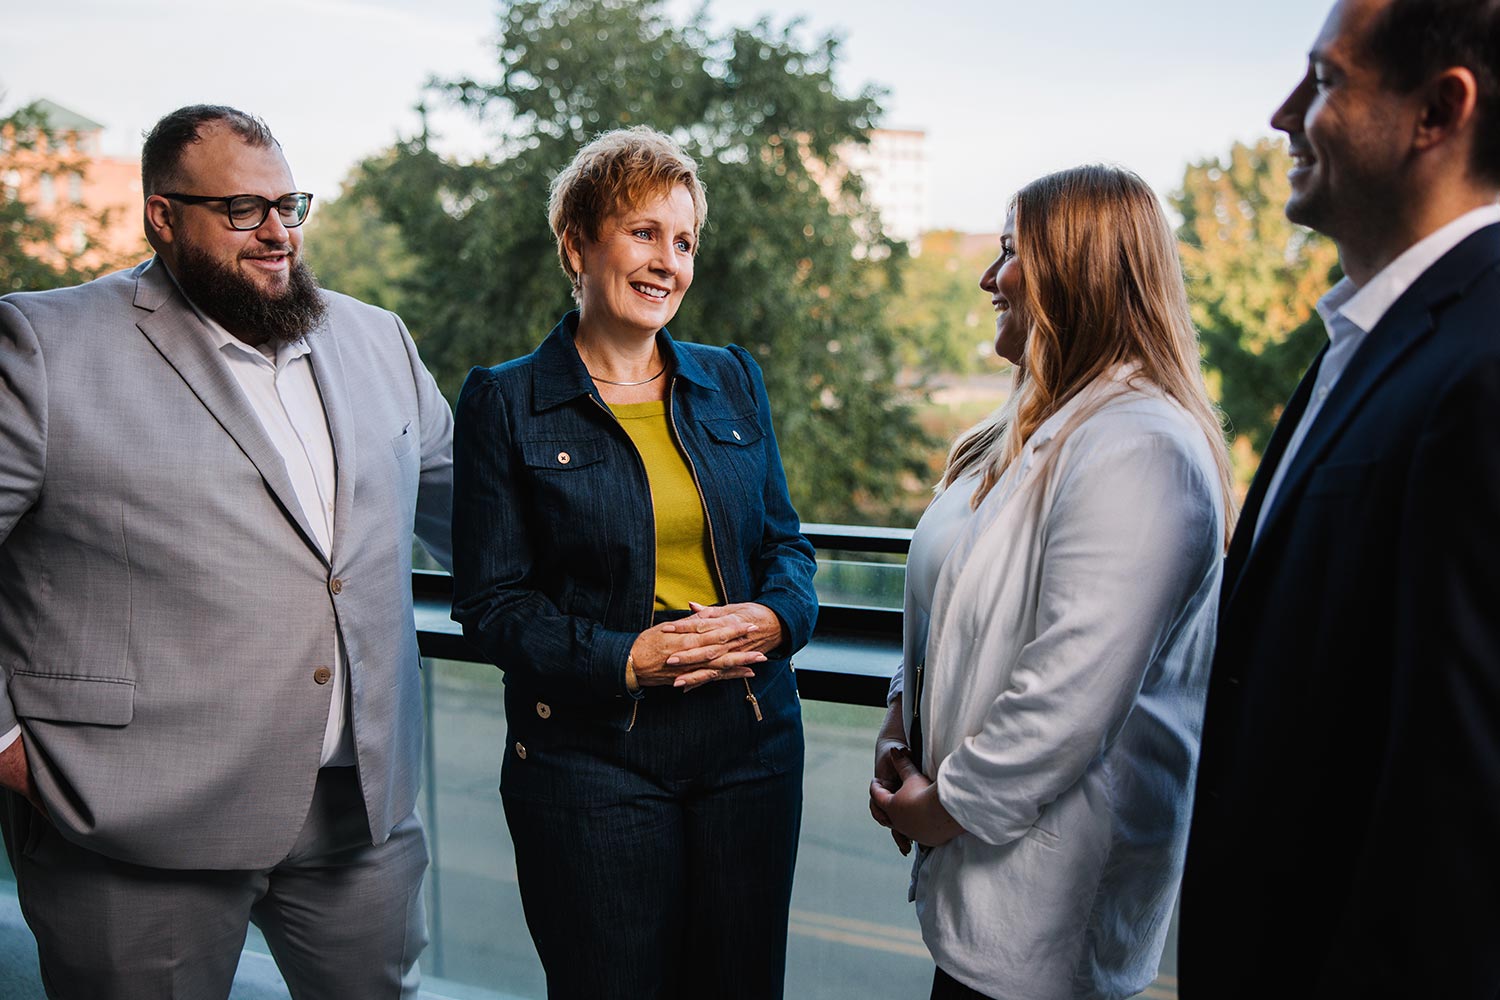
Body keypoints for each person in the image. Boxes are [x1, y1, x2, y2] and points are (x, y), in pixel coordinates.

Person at [0, 105, 453, 998]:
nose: (277, 232)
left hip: (360, 818)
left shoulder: (377, 339)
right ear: (162, 216)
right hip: (131, 825)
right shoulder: (43, 345)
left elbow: (486, 522)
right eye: (243, 210)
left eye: (288, 203)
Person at [450, 126, 818, 1000]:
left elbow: (787, 548)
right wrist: (626, 660)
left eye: (684, 240)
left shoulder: (731, 379)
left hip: (753, 741)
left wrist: (775, 619)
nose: (668, 261)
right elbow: (493, 602)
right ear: (577, 242)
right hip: (589, 756)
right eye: (644, 232)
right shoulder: (504, 400)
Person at [1180, 1, 1500, 995]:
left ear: (1437, 113)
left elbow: (1462, 812)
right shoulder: (1375, 341)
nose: (1282, 115)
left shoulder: (1483, 368)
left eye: (1323, 81)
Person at [869, 165, 1234, 1000]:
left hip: (1045, 918)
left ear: (1079, 270)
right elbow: (945, 611)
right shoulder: (1014, 435)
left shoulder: (1139, 446)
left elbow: (1066, 698)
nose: (989, 278)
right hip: (967, 886)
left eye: (1010, 252)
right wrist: (900, 727)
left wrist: (939, 807)